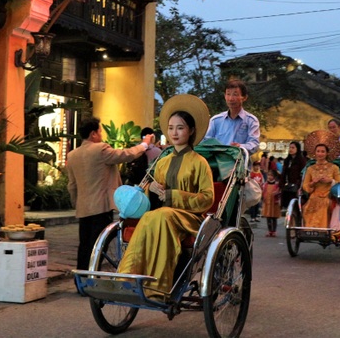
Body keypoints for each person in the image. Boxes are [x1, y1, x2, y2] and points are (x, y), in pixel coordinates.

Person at [117, 94, 214, 298]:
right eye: (170, 128)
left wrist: (173, 195)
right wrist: (150, 188)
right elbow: (149, 194)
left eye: (180, 127)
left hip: (190, 218)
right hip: (162, 214)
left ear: (191, 130)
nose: (174, 133)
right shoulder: (162, 162)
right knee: (150, 216)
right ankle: (126, 278)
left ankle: (157, 287)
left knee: (160, 216)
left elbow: (207, 198)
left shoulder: (199, 162)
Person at [66, 117, 154, 270]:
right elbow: (127, 154)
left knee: (84, 244)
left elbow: (72, 185)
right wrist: (144, 144)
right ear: (93, 134)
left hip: (84, 207)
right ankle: (92, 276)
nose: (101, 135)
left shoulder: (72, 155)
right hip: (101, 205)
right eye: (99, 132)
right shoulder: (100, 149)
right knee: (99, 244)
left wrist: (76, 203)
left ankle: (80, 278)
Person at [204, 79, 260, 154]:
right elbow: (205, 143)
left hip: (240, 163)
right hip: (217, 164)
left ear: (244, 97)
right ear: (224, 96)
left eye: (235, 94)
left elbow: (254, 144)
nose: (230, 98)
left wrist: (240, 147)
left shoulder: (251, 121)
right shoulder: (215, 120)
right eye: (228, 94)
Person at [301, 132, 340, 229]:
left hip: (329, 195)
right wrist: (313, 182)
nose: (320, 154)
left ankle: (323, 229)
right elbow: (305, 186)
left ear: (327, 153)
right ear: (314, 153)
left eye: (323, 151)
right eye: (318, 151)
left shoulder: (334, 168)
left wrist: (330, 181)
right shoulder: (310, 169)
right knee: (308, 206)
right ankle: (310, 229)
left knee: (325, 204)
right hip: (314, 195)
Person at [280, 141, 307, 209]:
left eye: (293, 148)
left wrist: (300, 186)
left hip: (296, 187)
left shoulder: (301, 160)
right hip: (287, 186)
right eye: (290, 147)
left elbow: (303, 174)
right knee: (288, 207)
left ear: (297, 149)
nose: (291, 149)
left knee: (295, 206)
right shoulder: (287, 160)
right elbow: (283, 173)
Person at [261, 169, 282, 237]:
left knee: (274, 217)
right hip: (267, 202)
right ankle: (270, 231)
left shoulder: (277, 184)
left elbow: (279, 193)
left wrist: (277, 193)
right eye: (268, 175)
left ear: (274, 176)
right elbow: (263, 192)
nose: (269, 177)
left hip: (274, 203)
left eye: (271, 175)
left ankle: (274, 231)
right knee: (268, 217)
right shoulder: (265, 184)